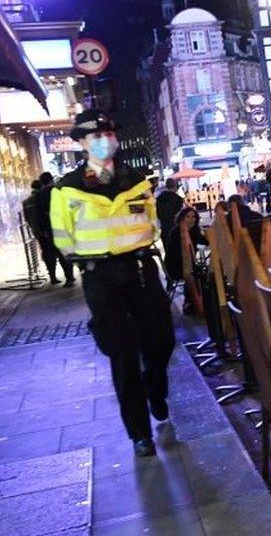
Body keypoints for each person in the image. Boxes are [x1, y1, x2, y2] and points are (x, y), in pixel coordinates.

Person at [50, 109, 175, 457]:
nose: (104, 141)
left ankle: (156, 388)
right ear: (81, 144)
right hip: (101, 276)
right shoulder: (67, 189)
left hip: (140, 269)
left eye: (108, 135)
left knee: (161, 341)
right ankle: (139, 433)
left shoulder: (137, 180)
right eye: (94, 137)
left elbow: (153, 224)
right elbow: (64, 238)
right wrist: (94, 257)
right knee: (122, 355)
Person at [33, 171, 75, 287]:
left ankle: (53, 276)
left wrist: (43, 230)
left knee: (51, 254)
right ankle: (70, 278)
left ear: (42, 182)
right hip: (63, 226)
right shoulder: (59, 191)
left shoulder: (39, 195)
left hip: (49, 229)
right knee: (65, 252)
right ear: (52, 179)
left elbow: (39, 215)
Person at [163, 207, 209, 312]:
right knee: (197, 274)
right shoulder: (175, 232)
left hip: (189, 265)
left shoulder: (194, 230)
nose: (191, 219)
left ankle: (199, 303)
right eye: (187, 217)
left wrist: (208, 233)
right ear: (181, 218)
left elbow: (206, 242)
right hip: (175, 267)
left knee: (202, 273)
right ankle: (190, 303)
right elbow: (174, 255)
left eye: (193, 217)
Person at [155, 178, 184, 246]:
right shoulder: (178, 199)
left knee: (168, 253)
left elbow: (158, 215)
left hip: (164, 230)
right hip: (176, 230)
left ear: (166, 186)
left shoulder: (159, 198)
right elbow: (180, 216)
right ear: (175, 186)